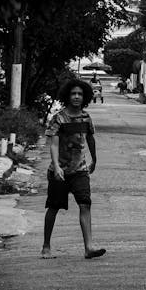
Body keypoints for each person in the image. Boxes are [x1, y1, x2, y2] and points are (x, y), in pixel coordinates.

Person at [42, 79, 105, 260]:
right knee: (54, 207)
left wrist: (94, 159)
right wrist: (56, 166)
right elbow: (54, 144)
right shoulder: (59, 118)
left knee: (85, 204)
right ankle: (46, 246)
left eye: (80, 94)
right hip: (60, 171)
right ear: (67, 96)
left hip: (80, 171)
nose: (76, 97)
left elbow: (90, 138)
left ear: (84, 97)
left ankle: (89, 247)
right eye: (73, 94)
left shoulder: (86, 118)